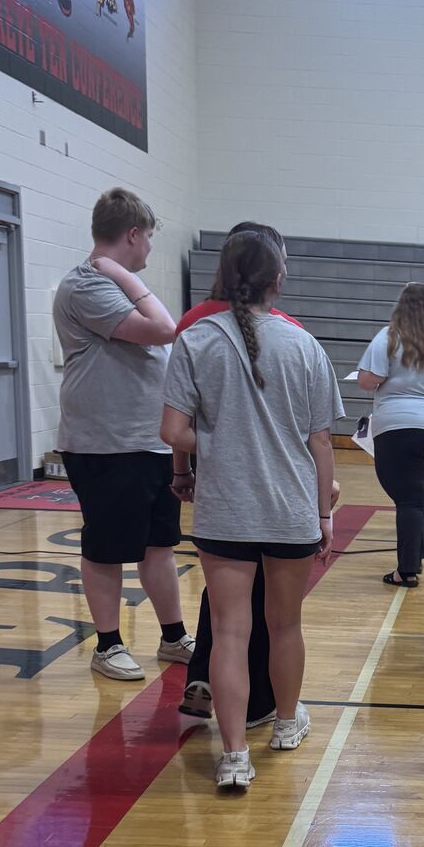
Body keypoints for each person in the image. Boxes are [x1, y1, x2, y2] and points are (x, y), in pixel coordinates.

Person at [161, 229, 343, 791]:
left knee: (230, 632)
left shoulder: (195, 341)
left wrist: (195, 462)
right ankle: (287, 723)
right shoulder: (304, 345)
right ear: (277, 280)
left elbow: (173, 430)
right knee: (284, 624)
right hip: (290, 510)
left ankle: (235, 755)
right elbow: (321, 442)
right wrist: (324, 513)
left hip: (225, 513)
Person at [54, 188, 194, 680]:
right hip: (107, 443)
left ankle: (174, 636)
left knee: (159, 544)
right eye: (150, 236)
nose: (151, 247)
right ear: (132, 234)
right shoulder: (90, 283)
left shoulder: (114, 284)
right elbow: (163, 328)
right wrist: (120, 273)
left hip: (147, 440)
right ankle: (107, 645)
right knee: (108, 546)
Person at [175, 221, 302, 729]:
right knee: (267, 610)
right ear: (273, 274)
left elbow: (176, 419)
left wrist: (182, 468)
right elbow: (306, 432)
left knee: (226, 600)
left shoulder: (192, 324)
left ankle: (205, 677)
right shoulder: (288, 332)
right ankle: (261, 707)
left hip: (218, 491)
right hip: (272, 491)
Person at [356, 283, 424, 587]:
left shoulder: (389, 336)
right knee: (419, 495)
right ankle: (416, 556)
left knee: (408, 499)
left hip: (395, 426)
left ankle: (406, 570)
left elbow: (367, 380)